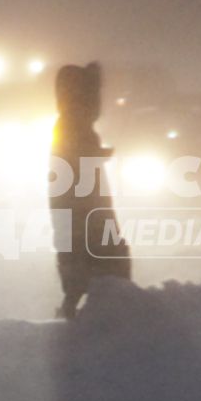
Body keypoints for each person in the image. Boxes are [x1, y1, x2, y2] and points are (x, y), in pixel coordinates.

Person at [51, 61, 132, 319]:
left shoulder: (74, 125)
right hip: (84, 209)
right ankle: (98, 317)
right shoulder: (74, 126)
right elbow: (75, 165)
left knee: (85, 260)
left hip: (79, 208)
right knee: (105, 258)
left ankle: (81, 311)